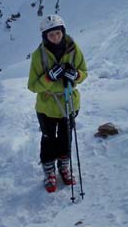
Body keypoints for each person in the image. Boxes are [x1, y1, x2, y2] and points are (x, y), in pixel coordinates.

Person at [27, 14, 88, 193]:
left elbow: (84, 72)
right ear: (44, 36)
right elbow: (32, 86)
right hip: (47, 106)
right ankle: (49, 171)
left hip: (69, 103)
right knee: (48, 139)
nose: (55, 37)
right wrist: (49, 77)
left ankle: (64, 166)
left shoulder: (74, 49)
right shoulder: (39, 56)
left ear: (63, 32)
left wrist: (76, 75)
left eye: (58, 33)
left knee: (65, 137)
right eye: (50, 35)